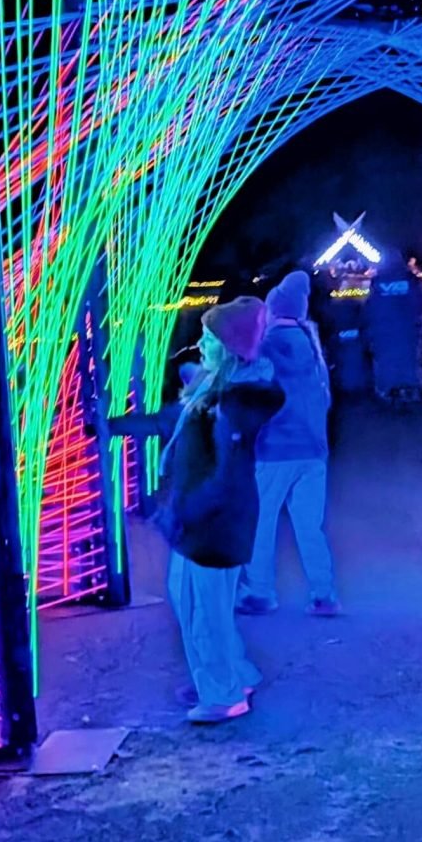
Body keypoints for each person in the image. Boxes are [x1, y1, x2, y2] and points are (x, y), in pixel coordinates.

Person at [157, 297, 284, 724]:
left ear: (231, 348)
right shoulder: (212, 390)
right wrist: (111, 425)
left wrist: (186, 513)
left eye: (209, 338)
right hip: (201, 522)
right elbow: (174, 422)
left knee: (202, 612)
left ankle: (223, 694)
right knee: (193, 603)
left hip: (212, 527)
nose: (200, 344)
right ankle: (234, 675)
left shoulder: (231, 404)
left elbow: (225, 478)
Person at [239, 271, 341, 617]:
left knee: (261, 521)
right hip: (314, 451)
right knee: (309, 525)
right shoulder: (312, 347)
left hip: (276, 449)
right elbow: (324, 402)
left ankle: (260, 593)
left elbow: (246, 393)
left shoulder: (266, 347)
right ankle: (324, 594)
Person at [362, 248, 422, 400]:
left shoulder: (379, 281)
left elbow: (371, 306)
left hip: (385, 328)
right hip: (408, 327)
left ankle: (387, 390)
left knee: (386, 360)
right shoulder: (412, 279)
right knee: (410, 358)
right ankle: (411, 389)